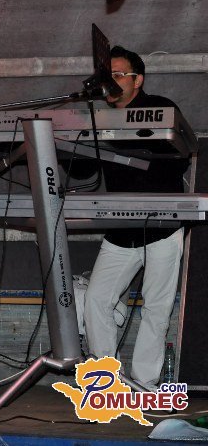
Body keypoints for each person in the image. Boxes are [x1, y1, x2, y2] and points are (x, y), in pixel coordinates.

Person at [83, 46, 190, 390]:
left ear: (137, 80)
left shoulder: (160, 107)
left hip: (163, 226)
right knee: (97, 299)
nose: (111, 81)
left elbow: (178, 157)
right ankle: (105, 380)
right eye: (108, 76)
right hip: (121, 229)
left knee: (156, 309)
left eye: (118, 74)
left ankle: (145, 383)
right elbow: (83, 169)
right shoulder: (101, 119)